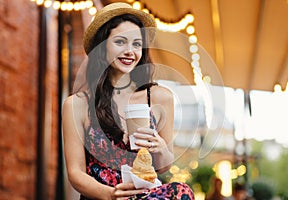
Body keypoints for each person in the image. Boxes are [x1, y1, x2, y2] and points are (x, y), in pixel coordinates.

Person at [62, 2, 194, 200]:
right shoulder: (77, 104)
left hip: (145, 195)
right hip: (102, 196)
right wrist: (112, 195)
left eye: (137, 44)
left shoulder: (159, 98)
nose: (130, 51)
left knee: (182, 191)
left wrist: (161, 148)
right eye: (120, 42)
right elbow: (75, 173)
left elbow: (165, 166)